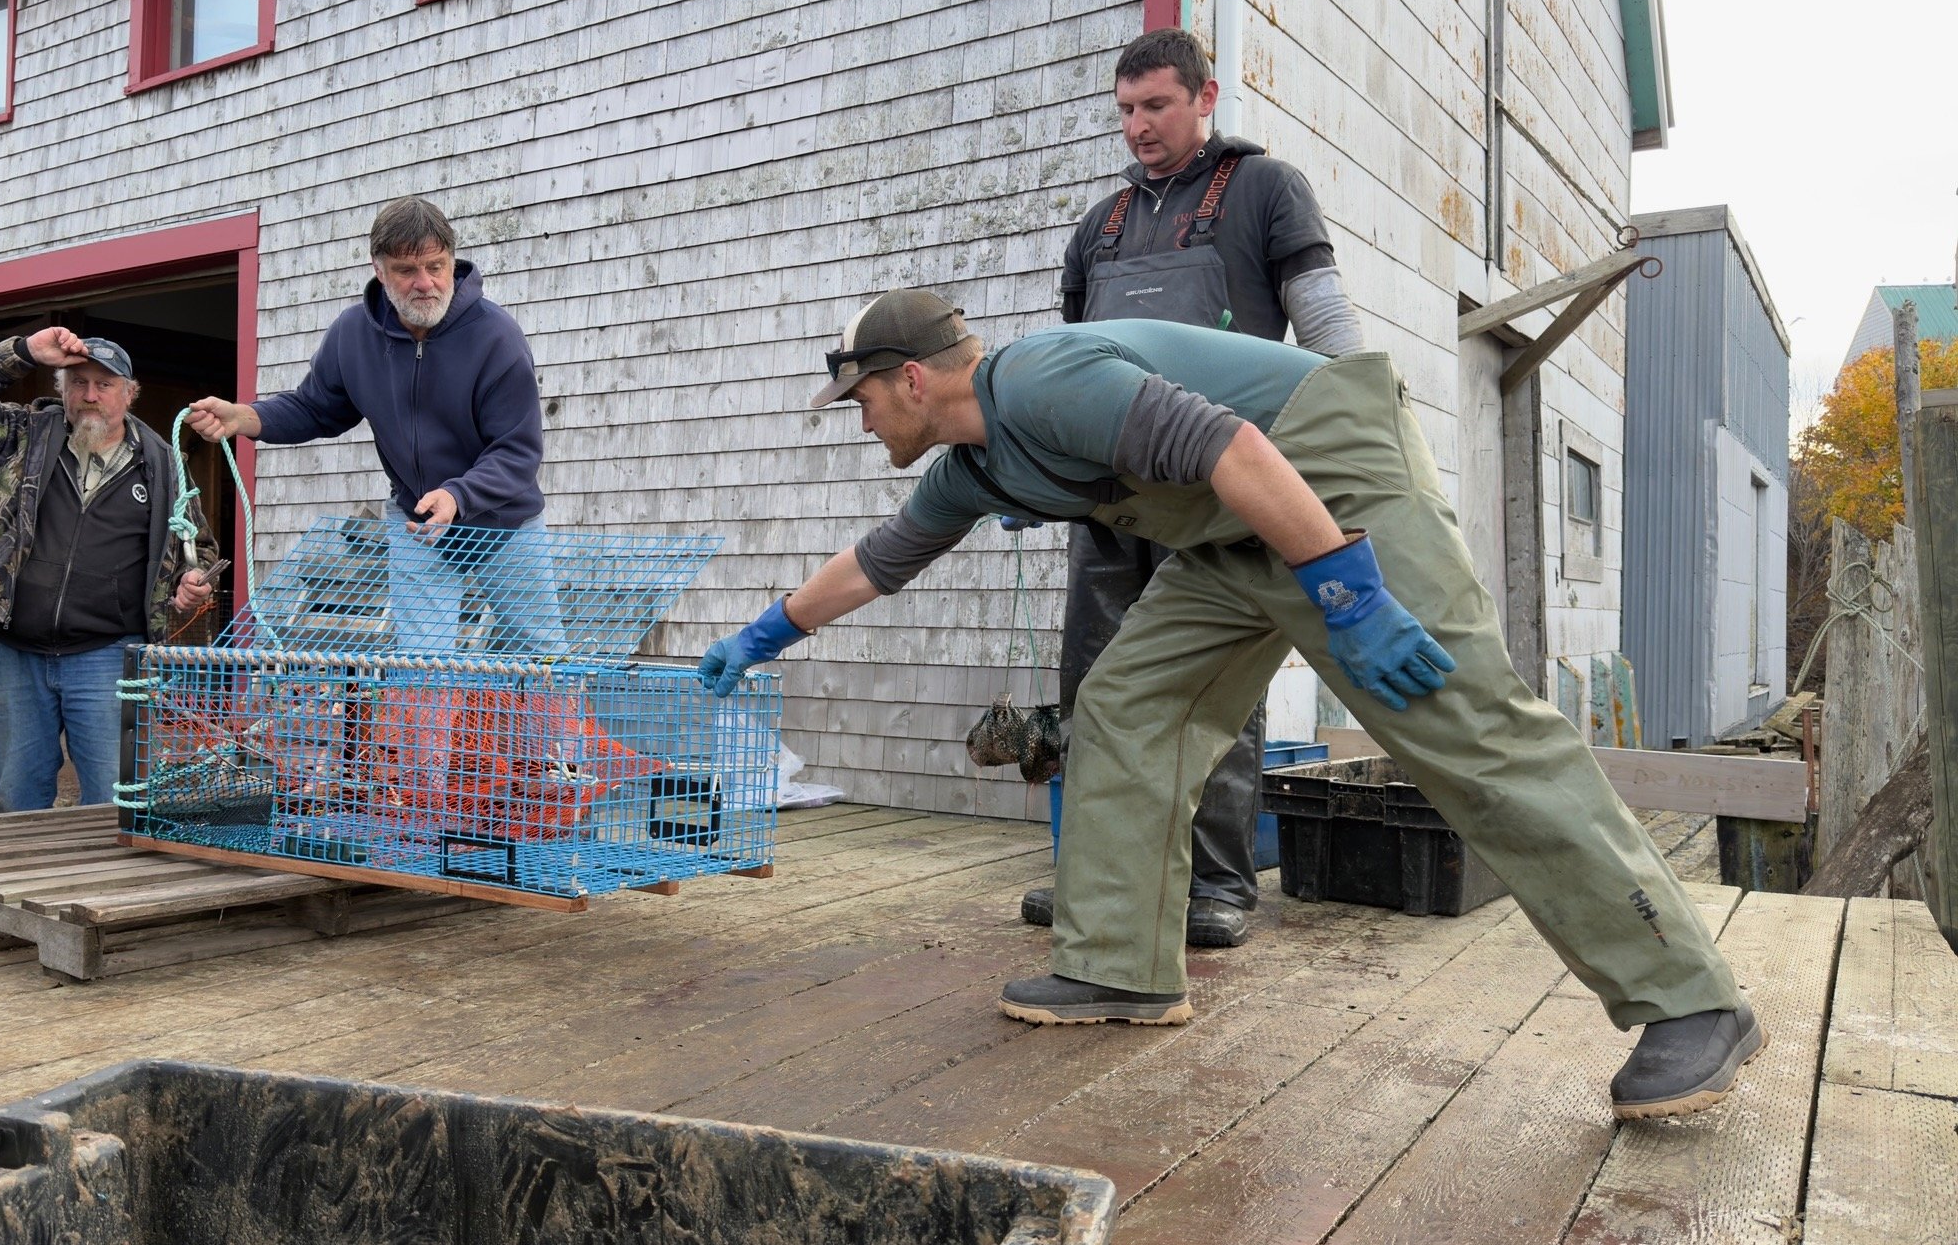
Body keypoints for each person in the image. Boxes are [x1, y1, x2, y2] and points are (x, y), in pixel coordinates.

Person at [697, 290, 1762, 1120]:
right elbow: (881, 560)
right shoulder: (974, 468)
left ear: (913, 379)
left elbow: (1237, 449)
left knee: (1461, 725)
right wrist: (764, 634)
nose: (858, 420)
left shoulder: (1046, 378)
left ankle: (1690, 1000)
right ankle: (1118, 966)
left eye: (860, 399)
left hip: (1326, 471)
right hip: (1228, 532)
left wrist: (1349, 592)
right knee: (1127, 704)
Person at [1022, 27, 1369, 949]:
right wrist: (1044, 471)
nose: (1138, 126)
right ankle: (1097, 875)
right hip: (1111, 494)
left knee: (1213, 684)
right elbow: (1071, 364)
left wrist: (1363, 426)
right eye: (1126, 110)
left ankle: (1217, 882)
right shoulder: (1099, 226)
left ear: (1205, 98)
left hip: (1221, 489)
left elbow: (1325, 322)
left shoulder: (1264, 189)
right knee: (1096, 684)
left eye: (1157, 105)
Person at [187, 196, 563, 655]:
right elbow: (315, 407)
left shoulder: (497, 336)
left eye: (436, 266)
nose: (425, 283)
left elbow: (517, 451)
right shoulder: (353, 334)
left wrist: (457, 495)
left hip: (505, 523)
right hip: (418, 523)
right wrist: (247, 417)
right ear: (379, 270)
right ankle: (422, 707)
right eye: (407, 270)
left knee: (543, 661)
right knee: (420, 667)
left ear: (451, 260)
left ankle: (550, 706)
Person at [0, 329, 217, 813]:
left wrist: (191, 582)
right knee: (16, 802)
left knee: (114, 804)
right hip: (18, 652)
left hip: (108, 656)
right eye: (78, 382)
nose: (90, 395)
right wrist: (23, 352)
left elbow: (198, 548)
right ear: (61, 389)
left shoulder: (164, 466)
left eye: (105, 384)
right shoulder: (19, 438)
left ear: (130, 393)